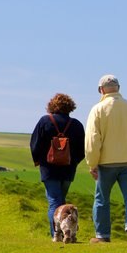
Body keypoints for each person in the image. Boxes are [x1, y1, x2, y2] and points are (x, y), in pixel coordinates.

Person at [85, 74, 127, 242]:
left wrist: (92, 163)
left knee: (102, 199)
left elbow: (92, 139)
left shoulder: (97, 109)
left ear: (101, 90)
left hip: (107, 162)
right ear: (118, 88)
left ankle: (102, 235)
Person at [30, 93, 86, 240]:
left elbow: (35, 144)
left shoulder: (44, 121)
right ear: (70, 107)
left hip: (48, 169)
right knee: (61, 200)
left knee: (54, 202)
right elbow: (82, 150)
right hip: (68, 170)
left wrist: (39, 160)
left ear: (51, 106)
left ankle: (57, 235)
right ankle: (66, 232)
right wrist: (73, 162)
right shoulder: (77, 125)